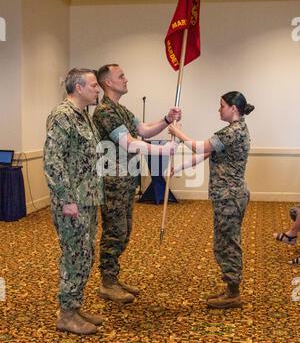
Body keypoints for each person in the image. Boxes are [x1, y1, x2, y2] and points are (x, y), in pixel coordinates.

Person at [93, 64, 181, 303]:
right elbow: (130, 143)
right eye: (121, 76)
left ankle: (113, 276)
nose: (126, 79)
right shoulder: (104, 112)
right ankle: (107, 282)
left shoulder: (121, 110)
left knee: (125, 231)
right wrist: (163, 151)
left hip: (126, 182)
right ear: (108, 82)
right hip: (112, 182)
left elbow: (143, 130)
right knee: (114, 232)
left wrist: (166, 119)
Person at [169, 91, 255, 309]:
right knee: (224, 241)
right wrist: (177, 168)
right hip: (229, 196)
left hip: (230, 197)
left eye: (222, 105)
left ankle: (233, 292)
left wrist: (178, 132)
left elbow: (201, 147)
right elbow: (205, 154)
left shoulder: (232, 131)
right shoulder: (234, 130)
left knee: (227, 243)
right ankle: (230, 287)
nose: (219, 109)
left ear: (233, 109)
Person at [44, 68, 104, 334]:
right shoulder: (61, 116)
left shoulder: (84, 116)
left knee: (85, 254)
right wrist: (67, 200)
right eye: (93, 85)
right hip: (72, 201)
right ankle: (66, 314)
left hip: (88, 197)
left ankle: (75, 305)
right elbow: (53, 162)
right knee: (74, 255)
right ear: (78, 87)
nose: (97, 89)